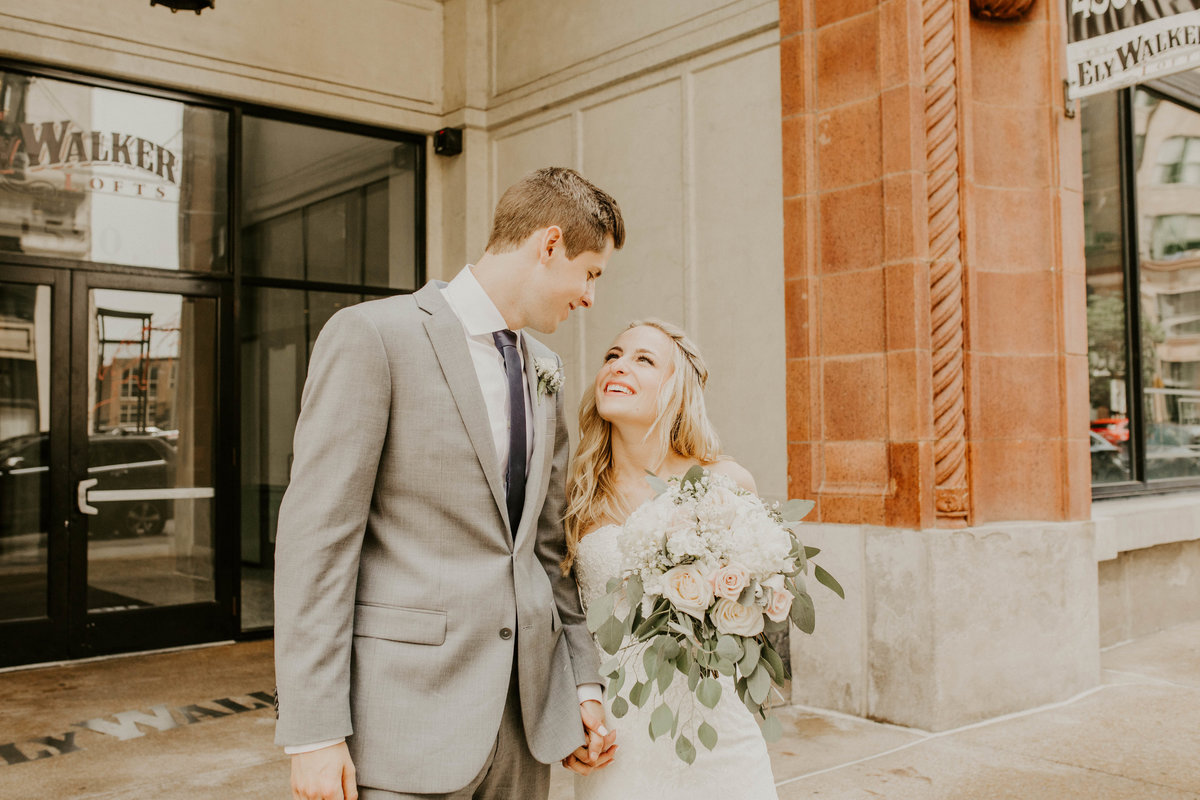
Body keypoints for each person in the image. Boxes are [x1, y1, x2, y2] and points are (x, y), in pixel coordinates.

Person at [273, 167, 625, 800]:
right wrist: (313, 732)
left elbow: (546, 549)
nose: (590, 298)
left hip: (524, 731)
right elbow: (316, 545)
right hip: (404, 726)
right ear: (549, 245)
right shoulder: (374, 337)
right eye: (591, 273)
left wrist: (582, 684)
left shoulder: (545, 368)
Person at [562, 319, 779, 799]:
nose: (618, 366)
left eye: (643, 359)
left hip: (716, 731)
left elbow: (756, 612)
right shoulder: (576, 498)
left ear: (677, 388)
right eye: (612, 355)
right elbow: (559, 620)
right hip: (618, 741)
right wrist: (567, 715)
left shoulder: (726, 483)